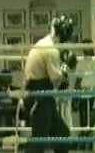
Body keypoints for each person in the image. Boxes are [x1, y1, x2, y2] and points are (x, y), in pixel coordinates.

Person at [24, 14, 78, 153]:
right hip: (40, 96)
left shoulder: (43, 43)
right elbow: (57, 81)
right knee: (39, 141)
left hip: (39, 94)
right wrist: (65, 68)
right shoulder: (50, 49)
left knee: (61, 134)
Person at [72, 39, 95, 150]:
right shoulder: (80, 62)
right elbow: (78, 81)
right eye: (84, 46)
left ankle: (81, 142)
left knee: (90, 122)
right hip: (83, 93)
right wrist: (75, 97)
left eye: (88, 46)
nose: (86, 48)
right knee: (84, 123)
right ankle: (84, 144)